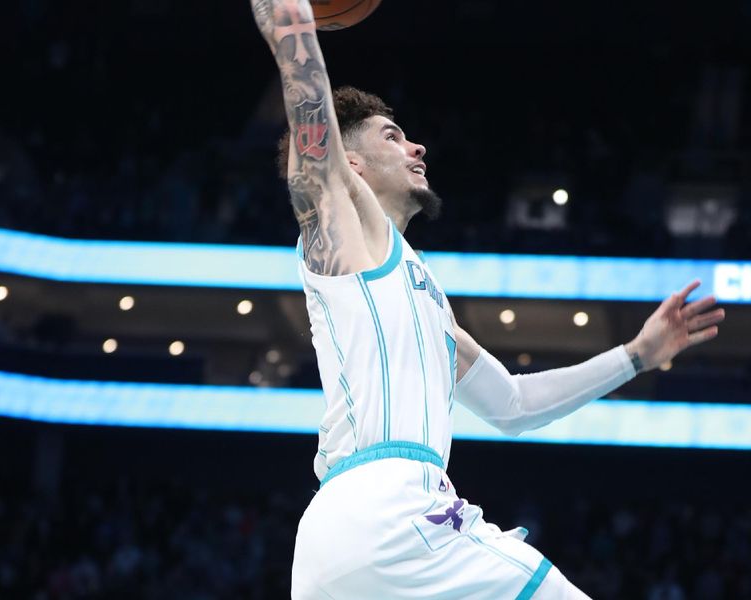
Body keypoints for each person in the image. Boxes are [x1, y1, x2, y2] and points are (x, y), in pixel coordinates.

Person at [249, 1, 726, 598]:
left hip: (331, 549)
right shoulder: (345, 242)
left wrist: (635, 354)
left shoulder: (423, 301)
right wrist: (290, 22)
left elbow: (515, 405)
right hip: (392, 513)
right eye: (393, 137)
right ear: (353, 165)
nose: (417, 147)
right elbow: (312, 139)